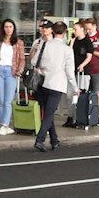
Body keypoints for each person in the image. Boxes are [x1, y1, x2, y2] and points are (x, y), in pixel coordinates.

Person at [31, 20, 76, 153]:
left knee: (48, 113)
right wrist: (75, 87)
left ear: (53, 31)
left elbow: (34, 61)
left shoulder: (45, 45)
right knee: (49, 114)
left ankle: (54, 140)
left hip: (44, 82)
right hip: (58, 84)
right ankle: (40, 140)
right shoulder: (67, 50)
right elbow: (70, 71)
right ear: (64, 33)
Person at [0, 18, 23, 134]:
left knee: (8, 100)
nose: (8, 29)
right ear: (3, 29)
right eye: (6, 27)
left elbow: (22, 59)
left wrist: (19, 70)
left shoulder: (18, 42)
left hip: (11, 71)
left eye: (10, 27)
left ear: (14, 28)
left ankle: (5, 124)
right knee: (1, 99)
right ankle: (3, 123)